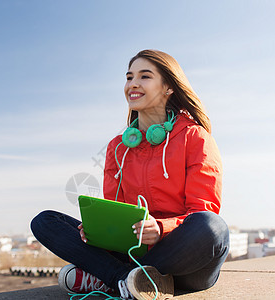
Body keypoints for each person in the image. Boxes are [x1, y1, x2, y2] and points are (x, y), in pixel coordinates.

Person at [31, 49, 229, 300]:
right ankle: (127, 280)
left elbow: (203, 209)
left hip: (184, 258)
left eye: (144, 76)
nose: (132, 84)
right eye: (129, 77)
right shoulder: (118, 147)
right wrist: (97, 231)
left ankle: (111, 278)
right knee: (44, 221)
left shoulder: (195, 137)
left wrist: (160, 228)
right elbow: (116, 212)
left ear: (168, 87)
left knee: (213, 226)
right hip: (134, 250)